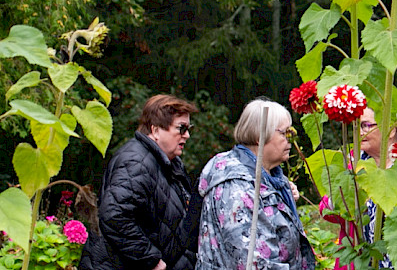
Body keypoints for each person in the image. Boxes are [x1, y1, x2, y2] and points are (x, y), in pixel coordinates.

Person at [81, 95, 203, 270]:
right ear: (155, 130)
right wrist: (151, 259)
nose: (187, 135)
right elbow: (114, 216)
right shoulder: (136, 162)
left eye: (188, 128)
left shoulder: (168, 163)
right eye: (181, 128)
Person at [196, 99, 316, 270]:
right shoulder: (236, 187)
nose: (291, 139)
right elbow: (253, 262)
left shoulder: (271, 178)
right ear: (260, 137)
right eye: (285, 133)